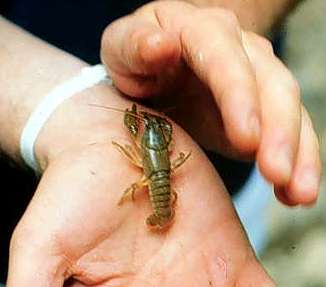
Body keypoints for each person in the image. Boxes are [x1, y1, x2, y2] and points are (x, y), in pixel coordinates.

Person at [0, 0, 321, 286]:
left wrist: (210, 25)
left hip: (217, 207)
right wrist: (61, 107)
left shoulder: (143, 150)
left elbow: (130, 151)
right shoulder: (166, 152)